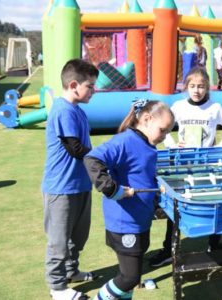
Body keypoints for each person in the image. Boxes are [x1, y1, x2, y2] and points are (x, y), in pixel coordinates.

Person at [149, 66, 222, 267]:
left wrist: (218, 149)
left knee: (212, 202)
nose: (197, 90)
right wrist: (173, 146)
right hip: (182, 166)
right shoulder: (179, 106)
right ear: (186, 87)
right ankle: (168, 249)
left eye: (201, 86)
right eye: (192, 86)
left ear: (207, 87)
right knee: (176, 206)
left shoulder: (215, 108)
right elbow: (163, 128)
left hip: (207, 167)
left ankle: (214, 244)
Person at [84, 100, 174, 300]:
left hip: (139, 221)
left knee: (132, 275)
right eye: (163, 130)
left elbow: (140, 173)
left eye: (168, 132)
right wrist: (112, 189)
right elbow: (92, 159)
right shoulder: (125, 141)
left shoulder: (146, 144)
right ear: (147, 119)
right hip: (125, 223)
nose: (165, 136)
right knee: (130, 277)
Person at [41, 58, 99, 300]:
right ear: (74, 84)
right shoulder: (63, 109)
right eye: (91, 86)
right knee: (59, 241)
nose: (94, 91)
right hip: (60, 188)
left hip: (80, 185)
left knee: (78, 236)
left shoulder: (77, 110)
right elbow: (75, 148)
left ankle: (71, 271)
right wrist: (103, 157)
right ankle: (57, 288)